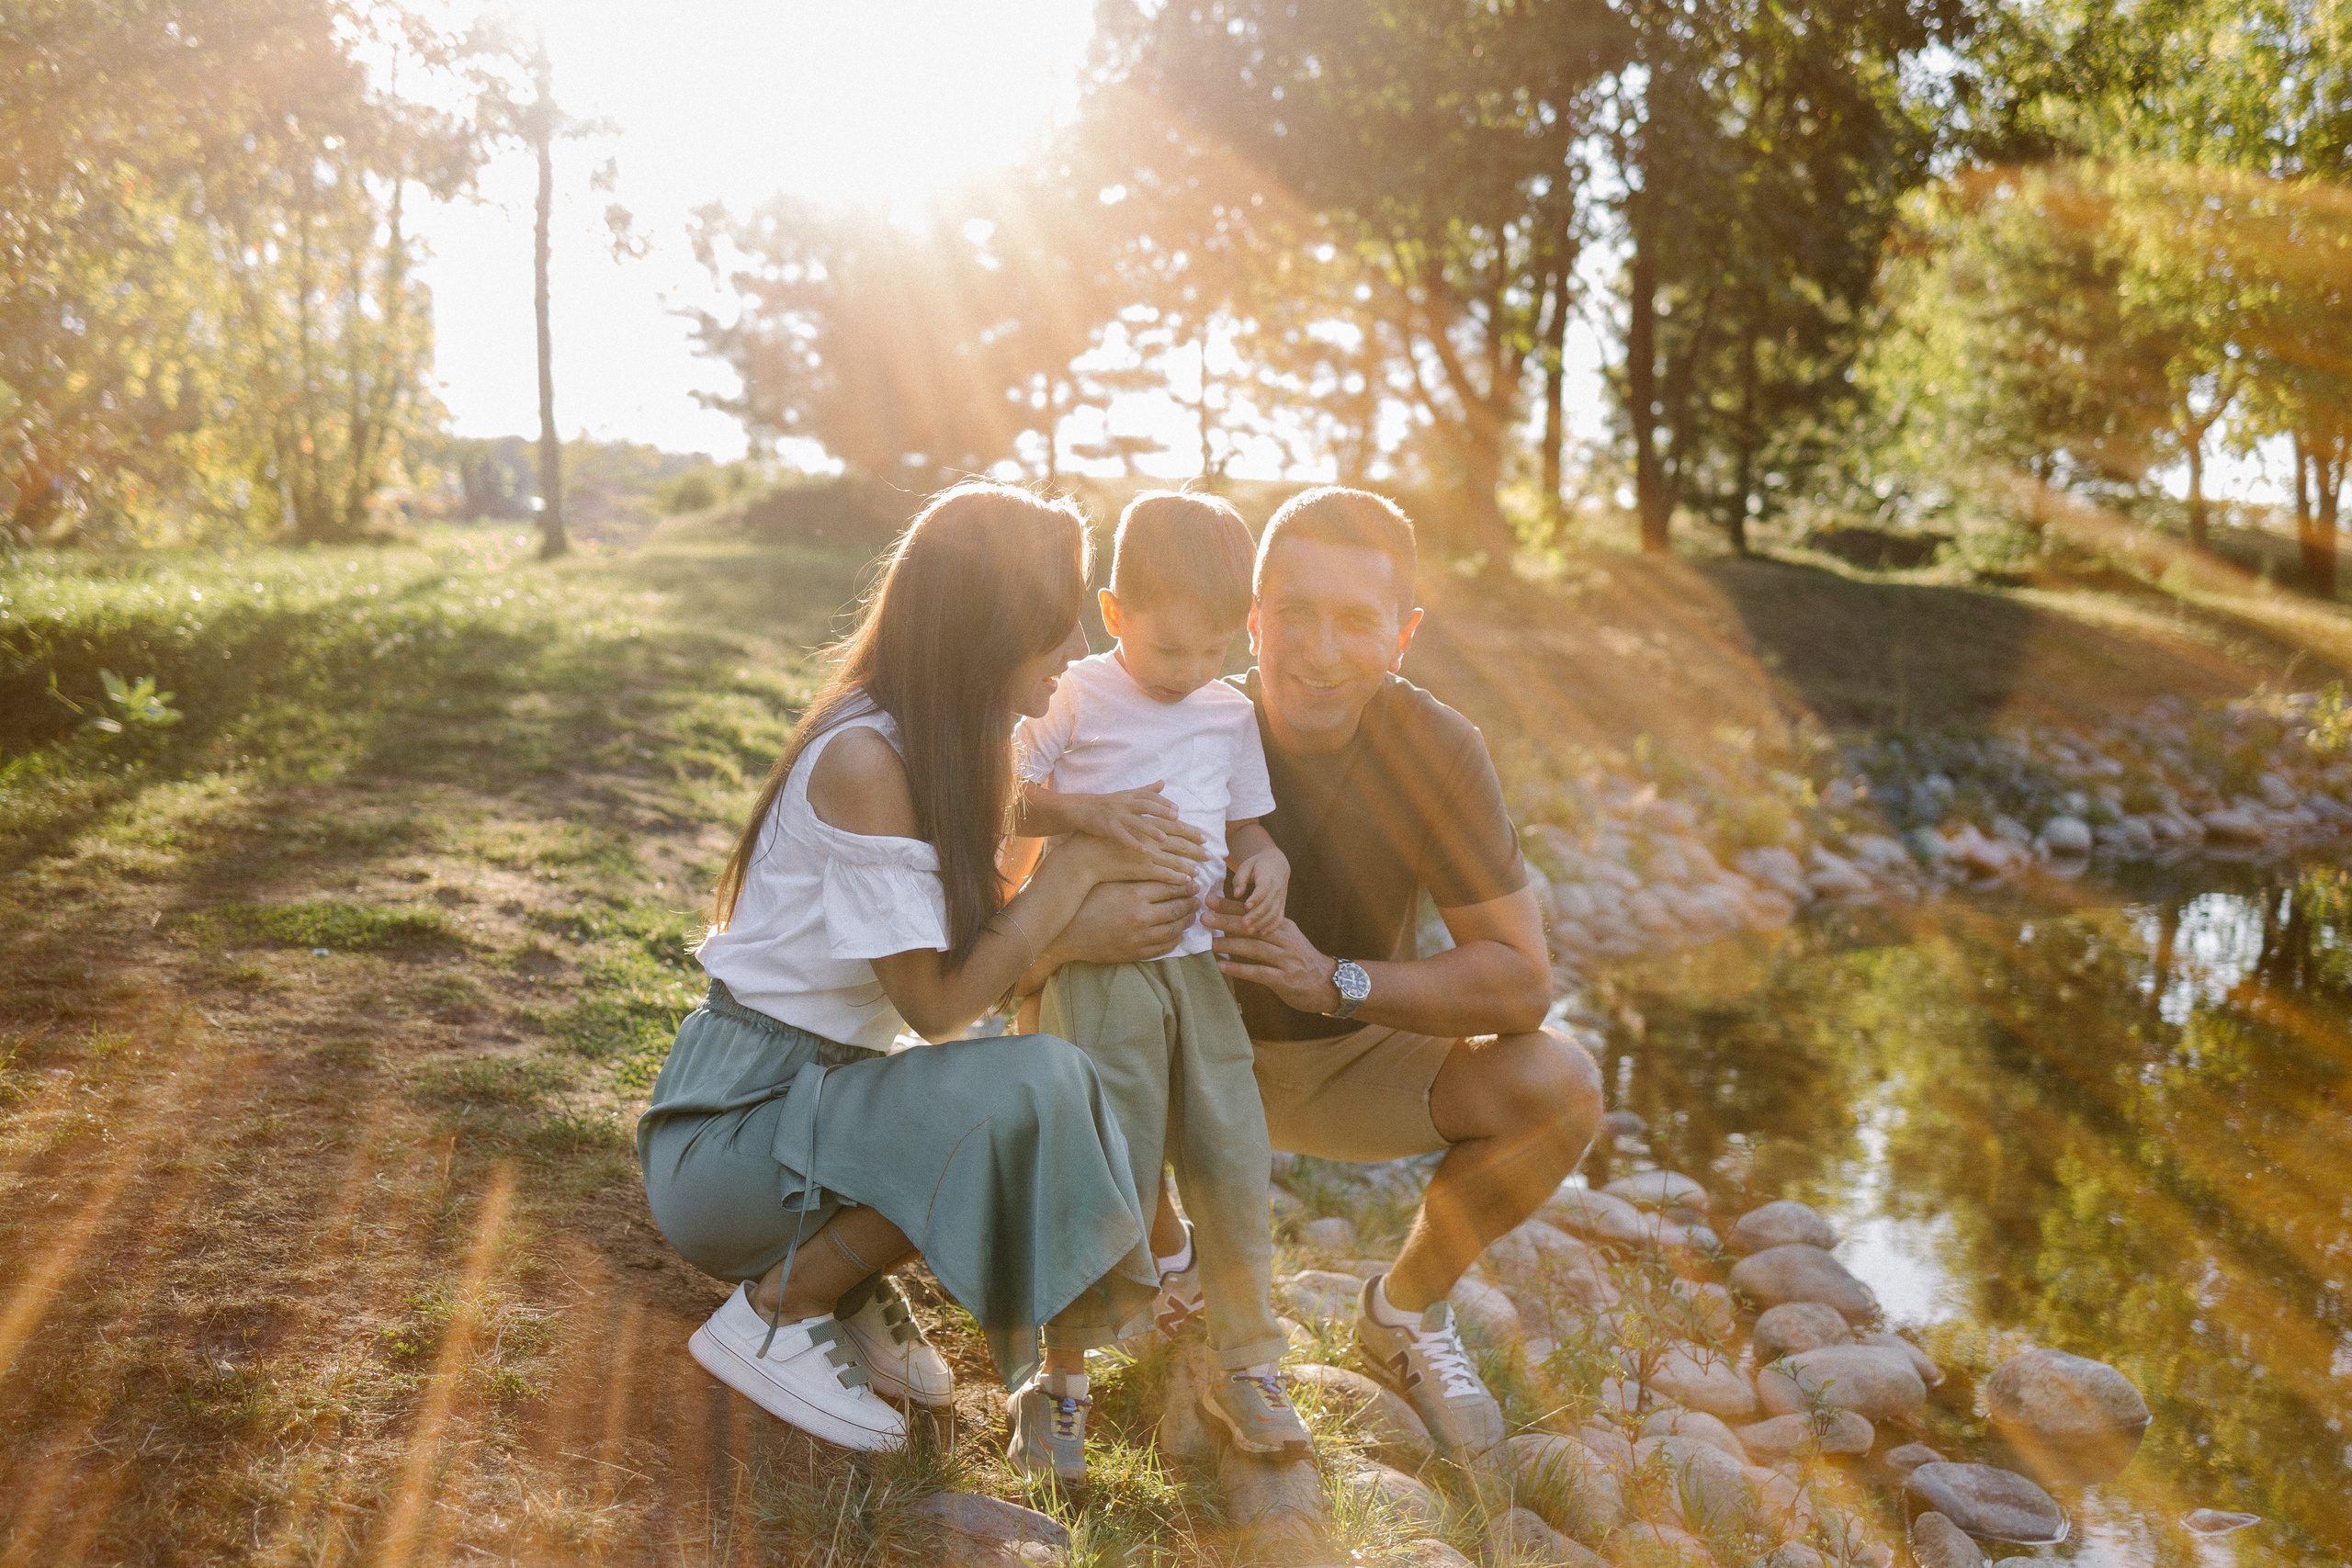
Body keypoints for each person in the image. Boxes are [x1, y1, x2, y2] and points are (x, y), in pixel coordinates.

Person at [636, 482, 1200, 1461]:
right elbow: (936, 1007)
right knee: (1028, 1087)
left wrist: (1079, 818)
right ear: (986, 630)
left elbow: (978, 811)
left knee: (1023, 1087)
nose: (1073, 647)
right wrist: (1064, 890)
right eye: (1052, 620)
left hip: (812, 1105)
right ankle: (778, 1308)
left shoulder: (933, 736)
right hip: (732, 1141)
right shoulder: (863, 760)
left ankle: (841, 1281)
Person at [1191, 486, 1604, 1459]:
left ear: (1402, 637)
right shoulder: (1181, 718)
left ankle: (1403, 1313)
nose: (1318, 650)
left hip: (1350, 1059)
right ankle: (1151, 1270)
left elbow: (1520, 982)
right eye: (1293, 613)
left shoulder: (1439, 747)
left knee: (1560, 1085)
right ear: (1253, 620)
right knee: (1057, 1004)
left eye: (1354, 622)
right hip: (1186, 1063)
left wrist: (1332, 980)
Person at [1007, 491, 1310, 1472]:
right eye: (1169, 650)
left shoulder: (1228, 714)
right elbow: (1003, 798)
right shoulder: (1077, 693)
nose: (1190, 674)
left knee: (1231, 1160)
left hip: (1198, 977)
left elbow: (1244, 826)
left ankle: (1248, 1360)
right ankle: (1060, 1381)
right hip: (1097, 977)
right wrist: (1089, 818)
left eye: (1215, 652)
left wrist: (1269, 863)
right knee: (1104, 1169)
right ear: (1114, 612)